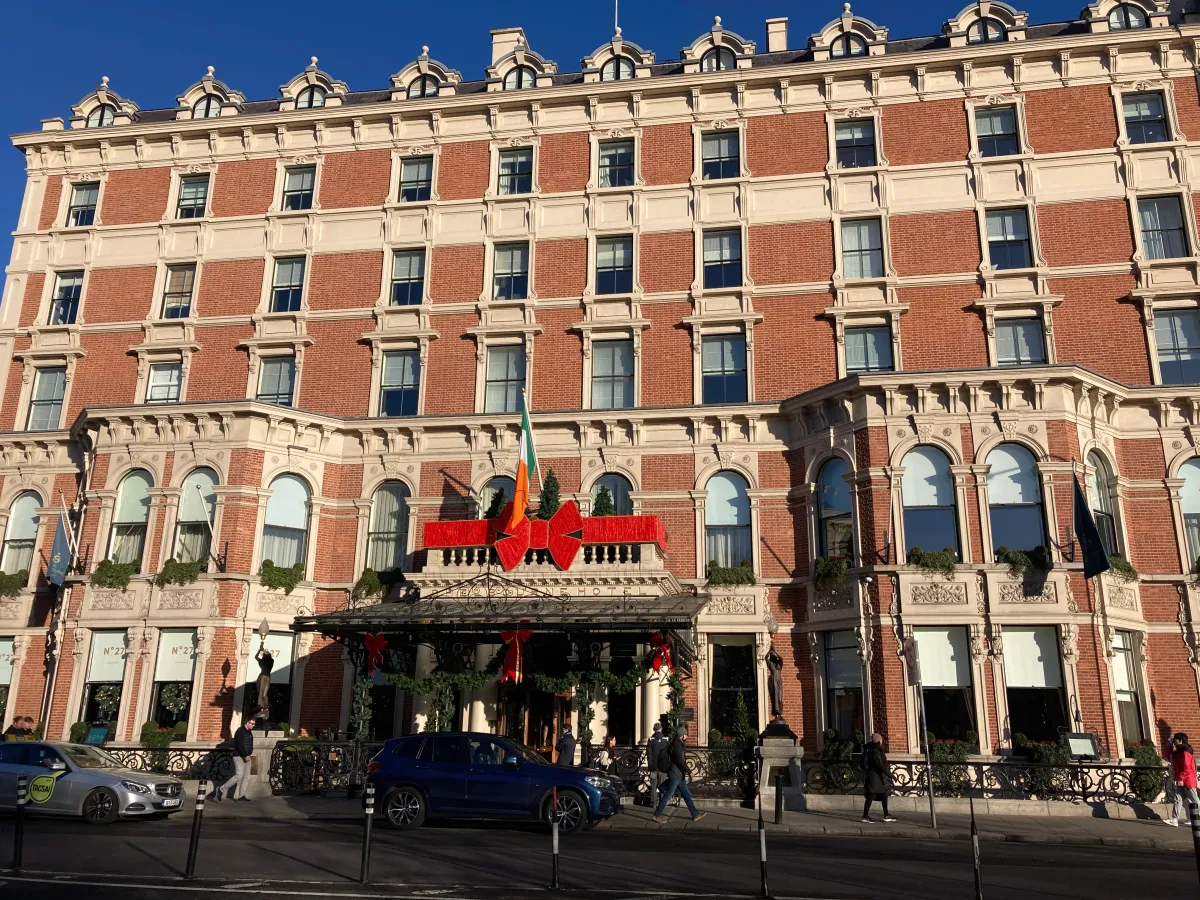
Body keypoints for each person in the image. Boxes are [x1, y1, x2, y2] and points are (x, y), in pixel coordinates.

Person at [652, 727, 706, 823]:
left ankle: (695, 814)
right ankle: (657, 815)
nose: (687, 736)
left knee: (686, 795)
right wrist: (689, 771)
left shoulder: (678, 744)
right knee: (668, 795)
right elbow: (680, 761)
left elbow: (680, 761)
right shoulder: (677, 746)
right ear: (682, 735)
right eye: (686, 734)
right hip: (675, 774)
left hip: (679, 775)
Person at [215, 716, 256, 802]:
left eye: (254, 724)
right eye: (252, 724)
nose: (253, 725)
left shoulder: (249, 732)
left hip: (247, 756)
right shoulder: (240, 731)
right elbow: (239, 745)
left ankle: (241, 796)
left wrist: (248, 754)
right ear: (247, 723)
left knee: (246, 777)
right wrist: (245, 755)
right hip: (239, 756)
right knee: (239, 775)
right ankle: (221, 789)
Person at [861, 732, 896, 823]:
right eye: (881, 740)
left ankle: (886, 814)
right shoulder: (875, 751)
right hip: (874, 777)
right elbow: (880, 765)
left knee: (883, 794)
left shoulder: (872, 750)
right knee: (870, 796)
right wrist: (890, 775)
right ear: (878, 741)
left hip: (876, 777)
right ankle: (865, 816)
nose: (882, 741)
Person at [1167, 732, 1198, 827]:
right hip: (1181, 779)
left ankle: (1197, 818)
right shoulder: (1179, 751)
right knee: (1178, 798)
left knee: (1194, 799)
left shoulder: (1185, 751)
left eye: (1175, 740)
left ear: (1180, 740)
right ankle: (1174, 819)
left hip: (1188, 779)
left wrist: (1181, 779)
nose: (1174, 742)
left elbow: (1187, 767)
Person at [646, 722, 669, 807]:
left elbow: (649, 754)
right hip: (663, 767)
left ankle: (653, 802)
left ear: (654, 730)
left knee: (653, 784)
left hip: (653, 767)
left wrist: (650, 766)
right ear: (661, 729)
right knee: (663, 784)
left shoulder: (651, 740)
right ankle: (662, 802)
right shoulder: (666, 740)